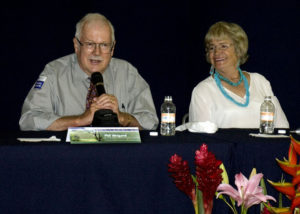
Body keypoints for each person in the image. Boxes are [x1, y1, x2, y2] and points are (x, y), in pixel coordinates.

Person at [19, 13, 158, 131]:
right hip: (67, 159)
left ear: (113, 47)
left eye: (104, 45)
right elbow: (28, 120)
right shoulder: (54, 72)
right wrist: (80, 120)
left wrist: (121, 117)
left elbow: (151, 121)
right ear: (76, 45)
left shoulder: (127, 73)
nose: (97, 52)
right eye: (90, 44)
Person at [189, 21, 289, 128]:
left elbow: (282, 127)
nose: (217, 52)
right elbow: (201, 140)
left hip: (265, 145)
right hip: (226, 145)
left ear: (238, 48)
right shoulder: (202, 90)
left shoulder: (260, 81)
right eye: (212, 48)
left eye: (223, 46)